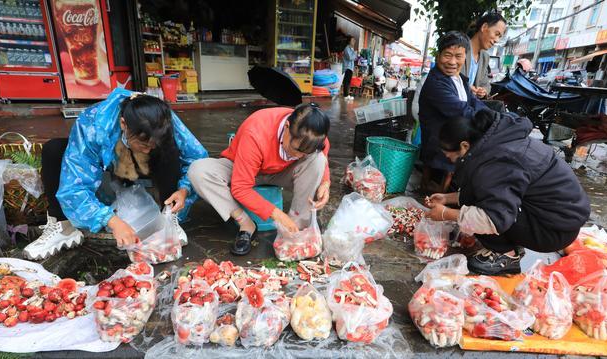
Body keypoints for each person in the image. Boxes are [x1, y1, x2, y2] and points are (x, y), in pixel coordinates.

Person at [23, 89, 208, 260]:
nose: (148, 149)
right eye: (144, 144)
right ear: (123, 124)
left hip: (146, 172)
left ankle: (168, 216)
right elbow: (74, 186)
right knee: (53, 149)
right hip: (106, 174)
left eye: (153, 145)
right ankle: (63, 226)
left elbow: (196, 156)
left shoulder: (162, 119)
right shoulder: (93, 124)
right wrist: (111, 220)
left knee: (172, 149)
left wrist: (184, 188)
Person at [425, 108, 590, 275]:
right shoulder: (497, 143)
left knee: (487, 213)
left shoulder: (499, 160)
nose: (450, 161)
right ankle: (511, 244)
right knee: (481, 196)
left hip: (553, 230)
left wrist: (446, 213)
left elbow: (493, 218)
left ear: (464, 146)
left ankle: (506, 256)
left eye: (449, 156)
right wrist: (448, 198)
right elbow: (488, 189)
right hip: (553, 216)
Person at [189, 103, 331, 256]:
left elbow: (321, 155)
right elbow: (241, 188)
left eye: (305, 153)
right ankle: (246, 224)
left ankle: (296, 229)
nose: (298, 156)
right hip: (242, 168)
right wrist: (277, 214)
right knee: (198, 171)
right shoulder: (256, 131)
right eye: (296, 149)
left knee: (317, 161)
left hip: (282, 172)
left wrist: (325, 182)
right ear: (287, 127)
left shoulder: (314, 136)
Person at [418, 31, 487, 192]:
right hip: (439, 140)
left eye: (459, 56)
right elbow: (461, 110)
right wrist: (487, 119)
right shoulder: (436, 82)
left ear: (465, 57)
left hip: (454, 132)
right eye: (447, 55)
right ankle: (443, 193)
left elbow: (473, 101)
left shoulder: (459, 79)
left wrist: (491, 115)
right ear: (438, 56)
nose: (452, 62)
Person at [463, 12, 506, 99]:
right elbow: (451, 77)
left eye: (500, 37)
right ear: (484, 27)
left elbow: (487, 85)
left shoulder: (484, 57)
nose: (497, 40)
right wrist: (466, 88)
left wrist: (483, 91)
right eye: (496, 34)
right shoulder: (461, 47)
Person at [342, 36, 357, 101]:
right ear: (349, 41)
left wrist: (354, 54)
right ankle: (345, 95)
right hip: (347, 67)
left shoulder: (352, 49)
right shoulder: (347, 48)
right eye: (352, 40)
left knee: (348, 82)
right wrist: (355, 53)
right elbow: (350, 57)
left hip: (350, 67)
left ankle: (347, 95)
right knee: (346, 81)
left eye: (354, 40)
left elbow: (354, 58)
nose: (354, 41)